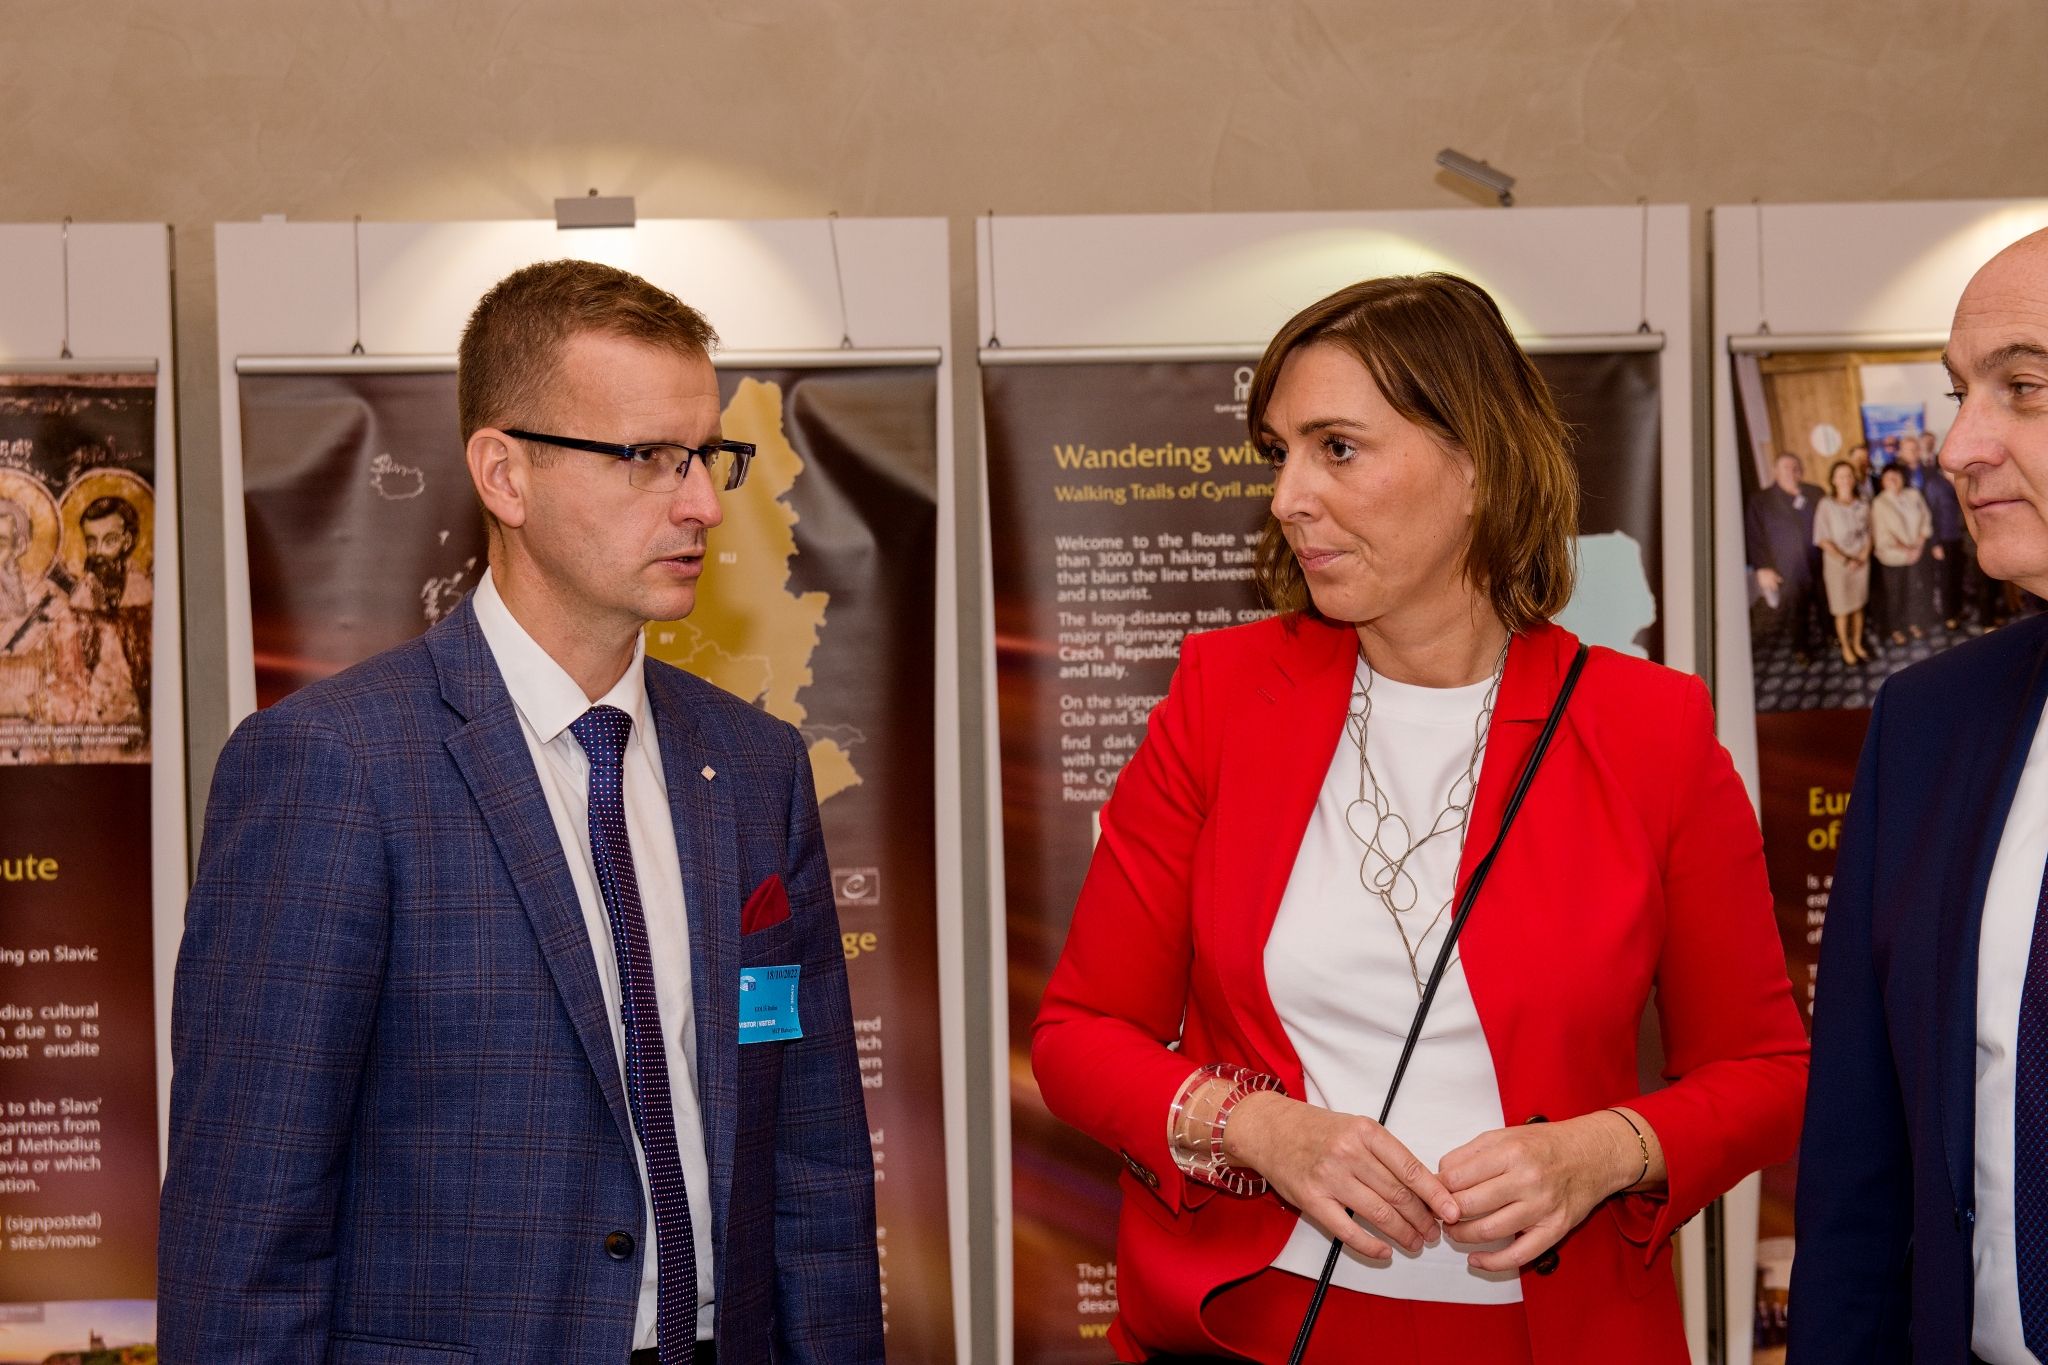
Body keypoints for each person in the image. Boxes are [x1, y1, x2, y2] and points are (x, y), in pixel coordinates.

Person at [1032, 273, 1808, 1364]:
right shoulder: (1222, 697)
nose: (1287, 496)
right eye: (1280, 453)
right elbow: (1079, 1036)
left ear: (1476, 463)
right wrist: (1258, 1129)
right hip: (1253, 1322)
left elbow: (1766, 1070)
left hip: (1547, 1337)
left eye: (1337, 449)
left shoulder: (1650, 731)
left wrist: (1604, 1151)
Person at [159, 260, 883, 1364]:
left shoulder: (753, 765)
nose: (701, 503)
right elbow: (245, 1228)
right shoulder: (332, 766)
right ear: (505, 473)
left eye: (707, 456)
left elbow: (814, 1163)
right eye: (649, 457)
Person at [1790, 227, 2048, 1364]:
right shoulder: (1929, 723)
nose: (1958, 446)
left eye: (2022, 389)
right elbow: (1859, 1161)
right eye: (1958, 393)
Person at [1747, 452, 1828, 665]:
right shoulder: (1760, 500)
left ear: (1801, 471)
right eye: (1786, 467)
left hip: (1820, 561)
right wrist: (1763, 567)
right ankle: (1800, 647)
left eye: (1795, 467)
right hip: (1787, 567)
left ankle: (1830, 635)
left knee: (1825, 602)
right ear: (1775, 471)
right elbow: (1754, 536)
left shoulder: (1815, 492)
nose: (1791, 472)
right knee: (1796, 609)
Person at [1813, 460, 1872, 665]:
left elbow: (1869, 532)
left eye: (1848, 475)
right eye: (1840, 476)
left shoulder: (1863, 502)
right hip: (1838, 565)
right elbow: (1822, 539)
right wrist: (1846, 560)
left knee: (1858, 606)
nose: (1845, 479)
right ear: (1833, 480)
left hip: (1861, 562)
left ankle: (1857, 643)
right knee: (1842, 609)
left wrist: (1862, 556)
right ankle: (1846, 647)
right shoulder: (1826, 505)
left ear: (1853, 479)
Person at [1871, 462, 1935, 644]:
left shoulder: (1913, 494)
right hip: (1893, 557)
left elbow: (1926, 519)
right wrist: (1907, 550)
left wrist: (1918, 547)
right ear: (1882, 481)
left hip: (1917, 553)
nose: (1893, 480)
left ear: (1902, 478)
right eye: (1888, 477)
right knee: (1895, 595)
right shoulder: (1879, 503)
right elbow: (1882, 534)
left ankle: (1913, 623)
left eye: (1896, 476)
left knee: (1914, 591)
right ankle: (1896, 629)